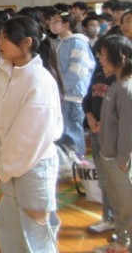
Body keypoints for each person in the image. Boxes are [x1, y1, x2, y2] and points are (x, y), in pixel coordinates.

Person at [0, 16, 64, 252]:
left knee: (35, 233)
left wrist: (3, 166)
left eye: (6, 38)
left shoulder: (39, 80)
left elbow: (29, 135)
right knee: (11, 231)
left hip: (34, 165)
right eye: (0, 36)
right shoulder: (1, 74)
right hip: (7, 165)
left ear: (27, 42)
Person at [93, 34, 132, 253]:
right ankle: (122, 243)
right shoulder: (116, 85)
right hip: (110, 158)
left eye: (103, 54)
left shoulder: (128, 89)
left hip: (122, 162)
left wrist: (123, 160)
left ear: (120, 57)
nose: (100, 59)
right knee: (119, 207)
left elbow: (131, 129)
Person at [50, 10, 95, 157]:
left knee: (73, 133)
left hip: (73, 95)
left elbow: (77, 72)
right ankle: (67, 165)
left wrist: (60, 88)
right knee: (62, 133)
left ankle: (78, 163)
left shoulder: (77, 43)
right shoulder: (57, 43)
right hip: (60, 95)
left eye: (56, 21)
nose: (52, 24)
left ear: (66, 24)